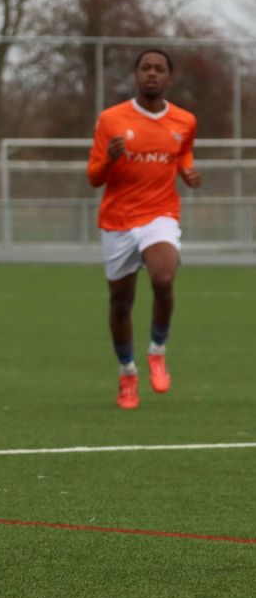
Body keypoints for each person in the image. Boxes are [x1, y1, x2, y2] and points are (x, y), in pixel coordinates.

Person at [87, 48, 199, 410]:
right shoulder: (111, 120)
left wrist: (187, 171)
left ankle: (157, 350)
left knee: (164, 277)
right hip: (118, 220)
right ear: (136, 75)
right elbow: (94, 178)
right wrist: (110, 159)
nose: (152, 73)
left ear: (169, 78)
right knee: (121, 303)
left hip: (160, 214)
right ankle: (127, 373)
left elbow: (182, 153)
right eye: (146, 68)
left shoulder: (185, 121)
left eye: (159, 68)